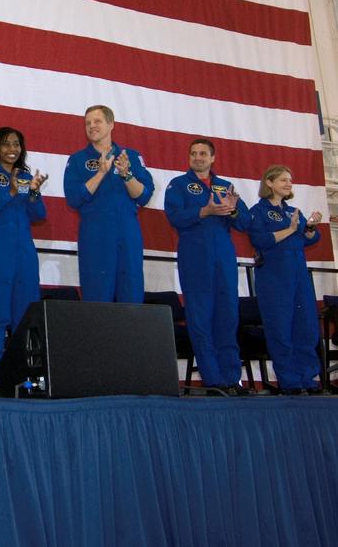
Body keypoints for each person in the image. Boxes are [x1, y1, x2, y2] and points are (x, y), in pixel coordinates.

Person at [162, 138, 251, 395]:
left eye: (203, 153)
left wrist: (232, 211)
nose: (198, 157)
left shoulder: (225, 187)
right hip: (195, 256)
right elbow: (174, 216)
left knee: (228, 315)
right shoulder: (178, 185)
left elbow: (244, 222)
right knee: (200, 317)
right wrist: (206, 210)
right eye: (193, 153)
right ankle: (214, 380)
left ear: (213, 158)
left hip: (223, 256)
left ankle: (232, 378)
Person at [0, 127, 47, 385]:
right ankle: (0, 378)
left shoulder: (25, 176)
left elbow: (39, 215)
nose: (12, 148)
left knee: (26, 319)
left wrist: (34, 192)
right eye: (6, 144)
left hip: (24, 253)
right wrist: (11, 192)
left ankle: (26, 380)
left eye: (16, 143)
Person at [63, 105, 154, 303]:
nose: (91, 126)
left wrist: (126, 174)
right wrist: (101, 172)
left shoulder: (130, 156)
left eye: (97, 121)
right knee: (97, 299)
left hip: (127, 235)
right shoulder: (77, 160)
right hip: (95, 235)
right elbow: (74, 199)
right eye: (87, 123)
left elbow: (144, 196)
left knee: (131, 298)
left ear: (111, 124)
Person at [248, 165, 323, 394]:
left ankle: (307, 378)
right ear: (269, 183)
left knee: (306, 326)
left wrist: (309, 227)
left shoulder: (293, 212)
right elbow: (259, 239)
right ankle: (289, 381)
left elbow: (308, 239)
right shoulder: (258, 211)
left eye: (290, 180)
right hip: (274, 276)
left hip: (298, 274)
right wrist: (290, 230)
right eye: (283, 180)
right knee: (280, 328)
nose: (289, 184)